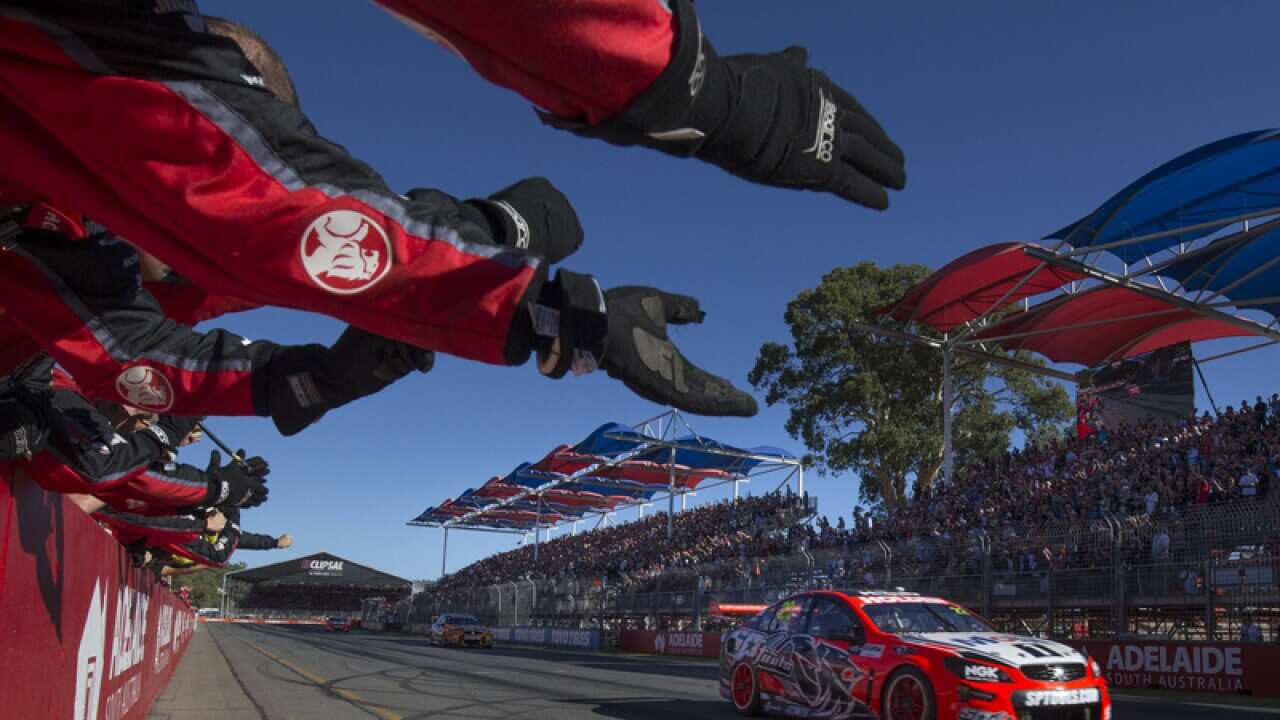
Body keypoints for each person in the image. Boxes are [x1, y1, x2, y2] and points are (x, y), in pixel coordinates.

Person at [0, 1, 906, 417]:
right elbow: (259, 214)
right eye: (253, 124)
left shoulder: (65, 205)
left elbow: (145, 334)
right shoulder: (92, 57)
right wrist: (678, 81)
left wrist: (315, 380)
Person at [0, 203, 435, 435]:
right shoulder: (51, 211)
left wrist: (313, 382)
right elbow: (133, 352)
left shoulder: (110, 264)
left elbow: (142, 342)